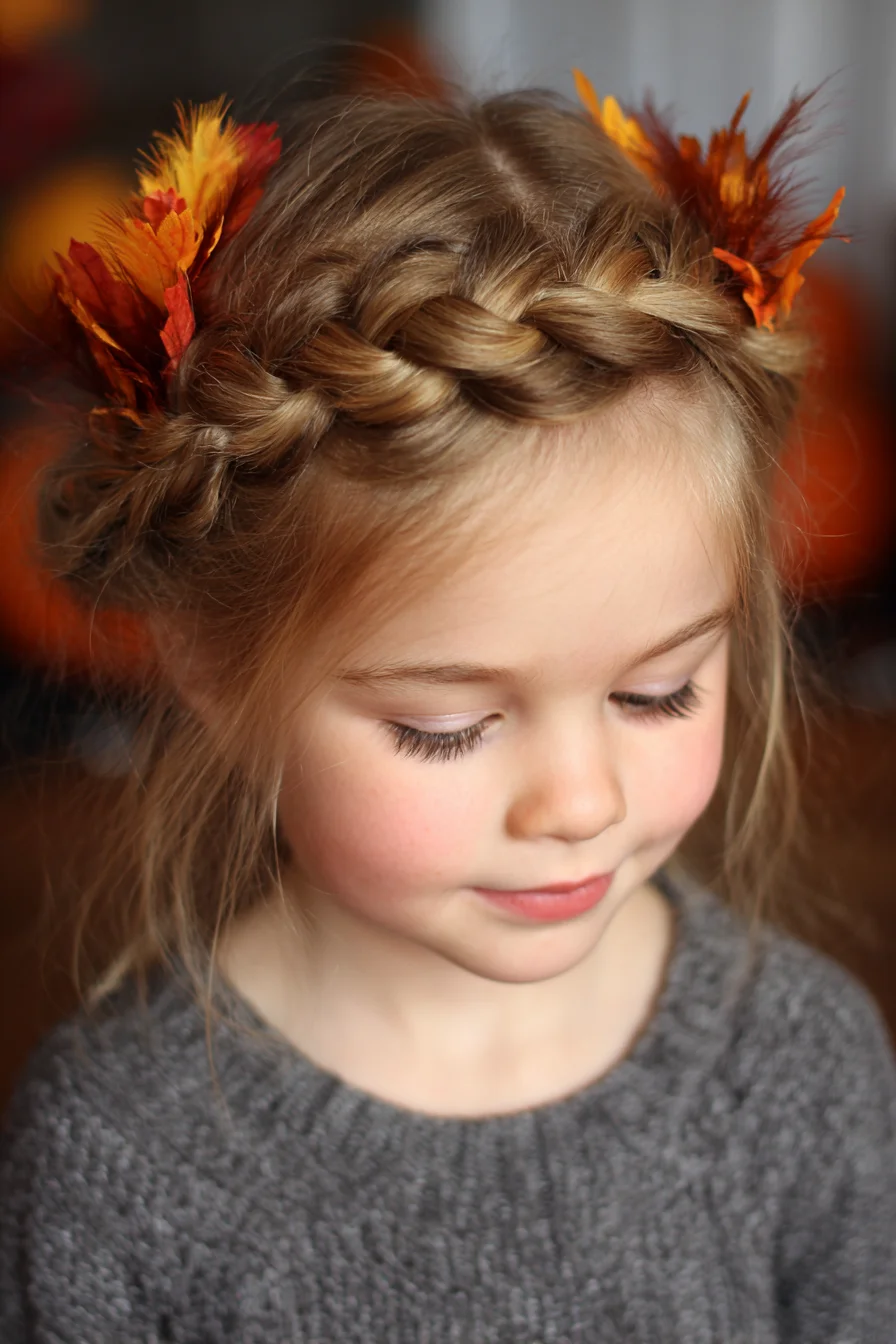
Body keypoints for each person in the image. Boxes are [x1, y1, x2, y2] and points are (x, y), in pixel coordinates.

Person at [1, 71, 894, 1343]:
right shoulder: (120, 1154)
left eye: (657, 692)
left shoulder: (798, 1069)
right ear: (207, 661)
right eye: (444, 725)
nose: (578, 803)